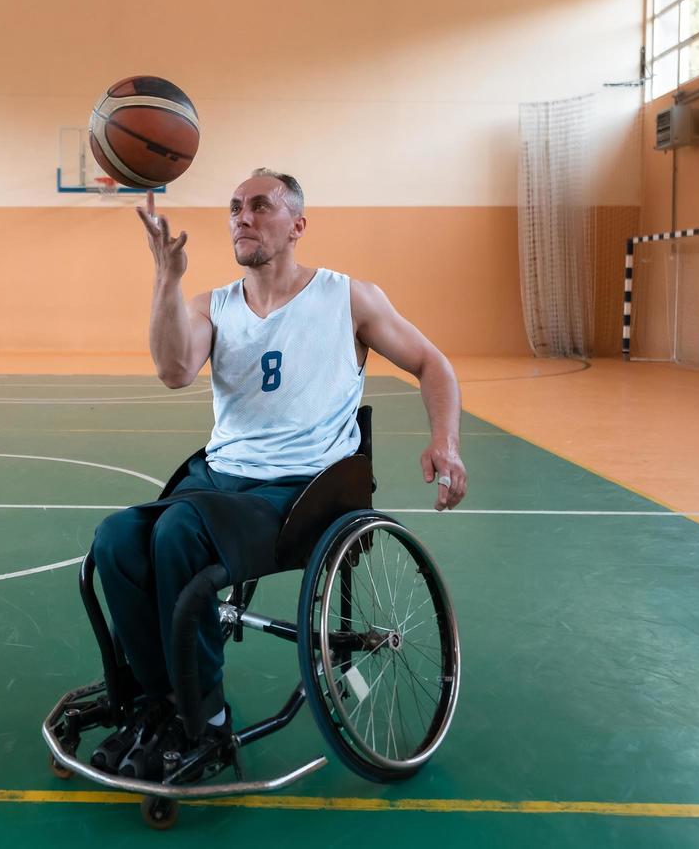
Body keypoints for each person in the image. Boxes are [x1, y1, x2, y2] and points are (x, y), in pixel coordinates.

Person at [89, 168, 467, 780]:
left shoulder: (347, 298)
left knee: (178, 535)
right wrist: (167, 277)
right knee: (114, 539)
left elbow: (432, 364)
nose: (242, 215)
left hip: (304, 492)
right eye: (235, 206)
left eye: (260, 205)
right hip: (220, 481)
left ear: (297, 225)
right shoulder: (213, 304)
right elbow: (174, 369)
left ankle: (205, 722)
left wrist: (445, 442)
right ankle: (158, 704)